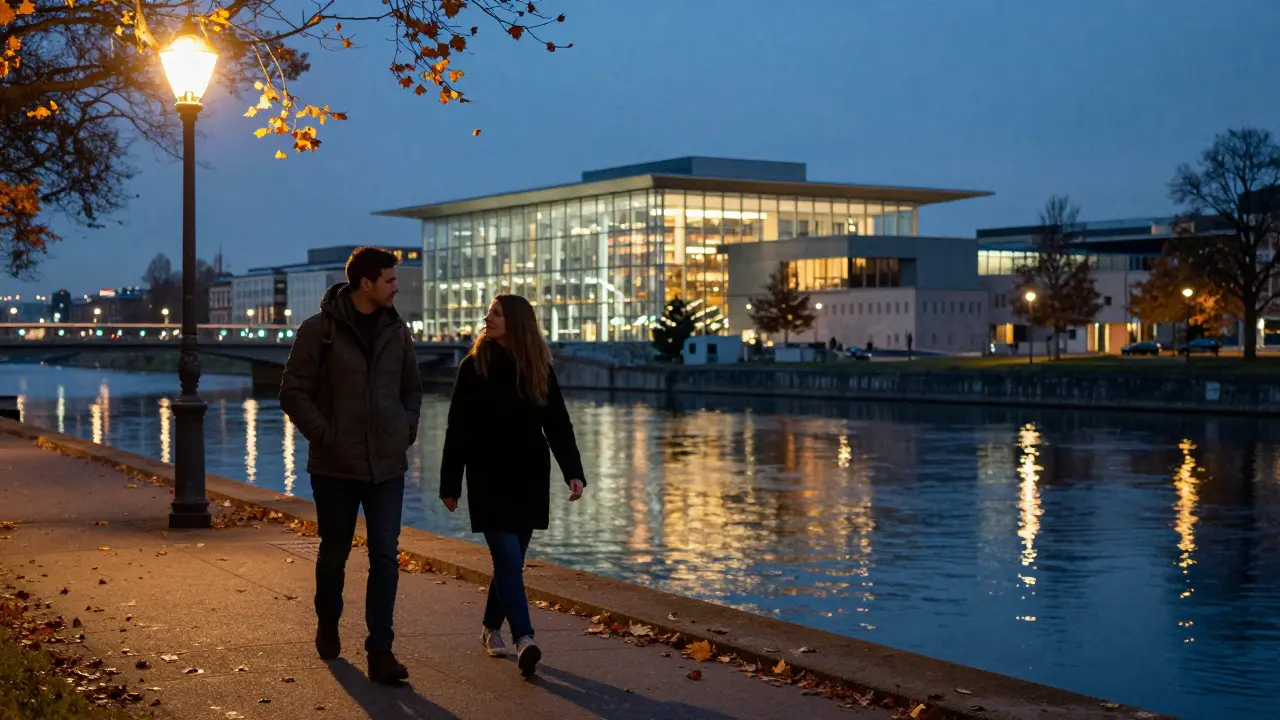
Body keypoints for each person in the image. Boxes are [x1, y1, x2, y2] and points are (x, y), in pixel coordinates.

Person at [279, 246, 423, 685]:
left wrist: (405, 431)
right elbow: (292, 393)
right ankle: (328, 621)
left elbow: (412, 389)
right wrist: (327, 437)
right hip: (335, 467)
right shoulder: (318, 330)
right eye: (390, 280)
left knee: (385, 553)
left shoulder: (397, 331)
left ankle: (380, 650)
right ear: (366, 284)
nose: (397, 287)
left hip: (387, 465)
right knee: (335, 552)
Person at [439, 294, 586, 678]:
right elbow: (458, 429)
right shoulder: (473, 367)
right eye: (489, 312)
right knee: (507, 559)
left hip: (529, 475)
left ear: (516, 322)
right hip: (487, 475)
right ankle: (525, 638)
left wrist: (574, 471)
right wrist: (449, 483)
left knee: (511, 563)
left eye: (496, 313)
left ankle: (490, 628)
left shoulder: (538, 368)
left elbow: (558, 424)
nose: (487, 318)